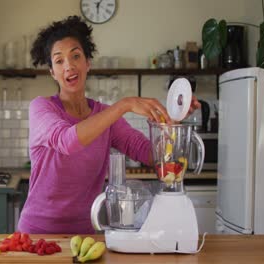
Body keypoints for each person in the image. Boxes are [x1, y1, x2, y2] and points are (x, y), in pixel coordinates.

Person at [17, 16, 200, 234]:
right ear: (52, 72)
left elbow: (151, 155)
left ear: (87, 63)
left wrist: (174, 119)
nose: (69, 66)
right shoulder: (42, 107)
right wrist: (126, 104)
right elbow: (67, 141)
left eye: (76, 56)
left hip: (85, 235)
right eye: (59, 61)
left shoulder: (105, 116)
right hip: (37, 233)